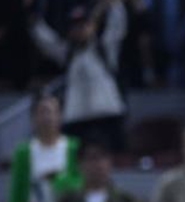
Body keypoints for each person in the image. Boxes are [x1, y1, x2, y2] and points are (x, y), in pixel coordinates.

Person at [29, 0, 127, 150]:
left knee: (112, 161)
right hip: (77, 119)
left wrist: (116, 6)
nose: (80, 30)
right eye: (75, 26)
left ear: (92, 26)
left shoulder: (105, 48)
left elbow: (117, 27)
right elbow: (45, 40)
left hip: (108, 116)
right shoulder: (67, 54)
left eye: (84, 25)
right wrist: (34, 16)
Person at [5, 93, 82, 202]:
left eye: (52, 112)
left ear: (60, 116)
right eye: (43, 112)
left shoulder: (73, 147)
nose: (48, 117)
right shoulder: (24, 152)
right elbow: (17, 192)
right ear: (33, 118)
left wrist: (59, 180)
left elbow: (82, 183)